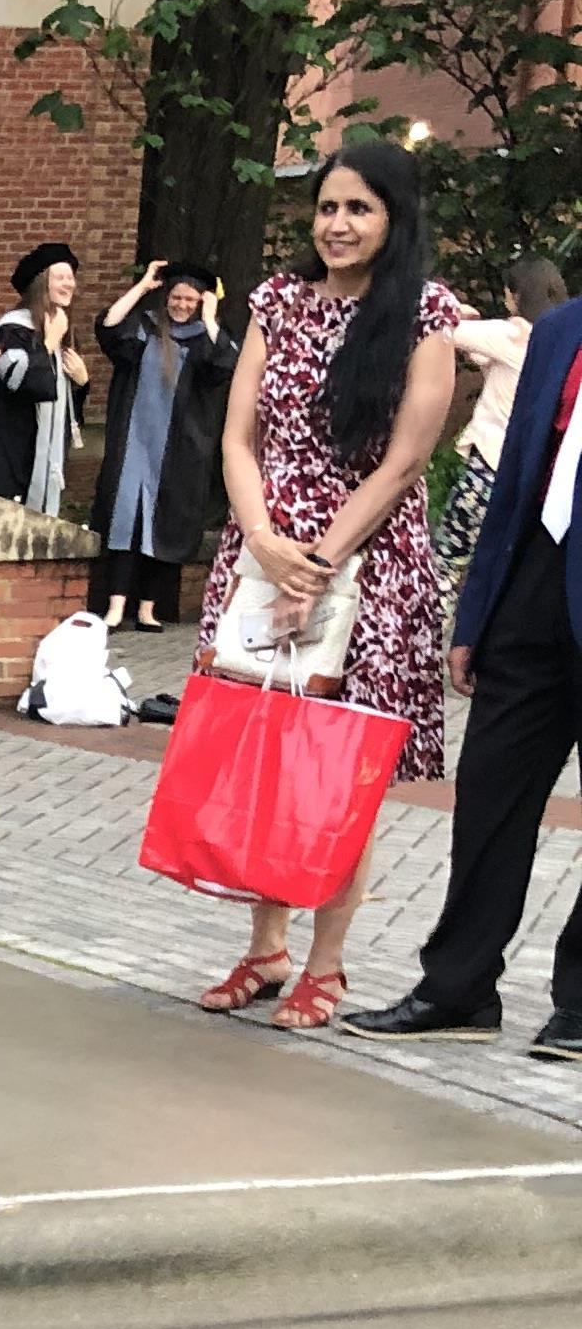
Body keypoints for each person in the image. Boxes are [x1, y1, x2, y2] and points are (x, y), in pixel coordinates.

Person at [190, 141, 465, 1030]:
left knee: (337, 771)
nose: (337, 225)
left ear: (396, 219)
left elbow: (405, 459)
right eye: (328, 208)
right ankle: (266, 950)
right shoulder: (275, 300)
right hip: (263, 553)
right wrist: (266, 544)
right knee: (262, 754)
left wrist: (318, 563)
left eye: (360, 209)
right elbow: (238, 438)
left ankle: (328, 965)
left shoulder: (425, 314)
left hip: (370, 565)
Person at [348, 274, 582, 1059]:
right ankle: (459, 987)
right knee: (487, 798)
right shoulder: (557, 332)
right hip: (530, 600)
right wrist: (477, 614)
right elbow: (515, 482)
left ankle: (579, 1004)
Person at [89, 255, 236, 627]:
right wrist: (142, 286)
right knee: (125, 523)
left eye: (191, 300)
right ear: (166, 297)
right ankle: (116, 606)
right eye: (177, 297)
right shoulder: (145, 329)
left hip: (177, 454)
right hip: (134, 445)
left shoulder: (207, 339)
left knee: (164, 528)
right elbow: (109, 325)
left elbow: (225, 365)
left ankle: (148, 609)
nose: (182, 305)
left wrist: (209, 317)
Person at [435, 256, 568, 580]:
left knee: (446, 563)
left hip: (487, 472)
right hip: (528, 480)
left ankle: (433, 629)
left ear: (516, 295)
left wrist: (451, 307)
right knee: (498, 573)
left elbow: (445, 331)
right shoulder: (557, 345)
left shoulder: (512, 334)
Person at [0, 240, 89, 515]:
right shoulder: (13, 331)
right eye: (60, 277)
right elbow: (19, 382)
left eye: (71, 277)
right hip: (6, 453)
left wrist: (82, 382)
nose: (69, 284)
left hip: (37, 454)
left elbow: (63, 399)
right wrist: (47, 344)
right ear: (41, 283)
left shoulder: (62, 332)